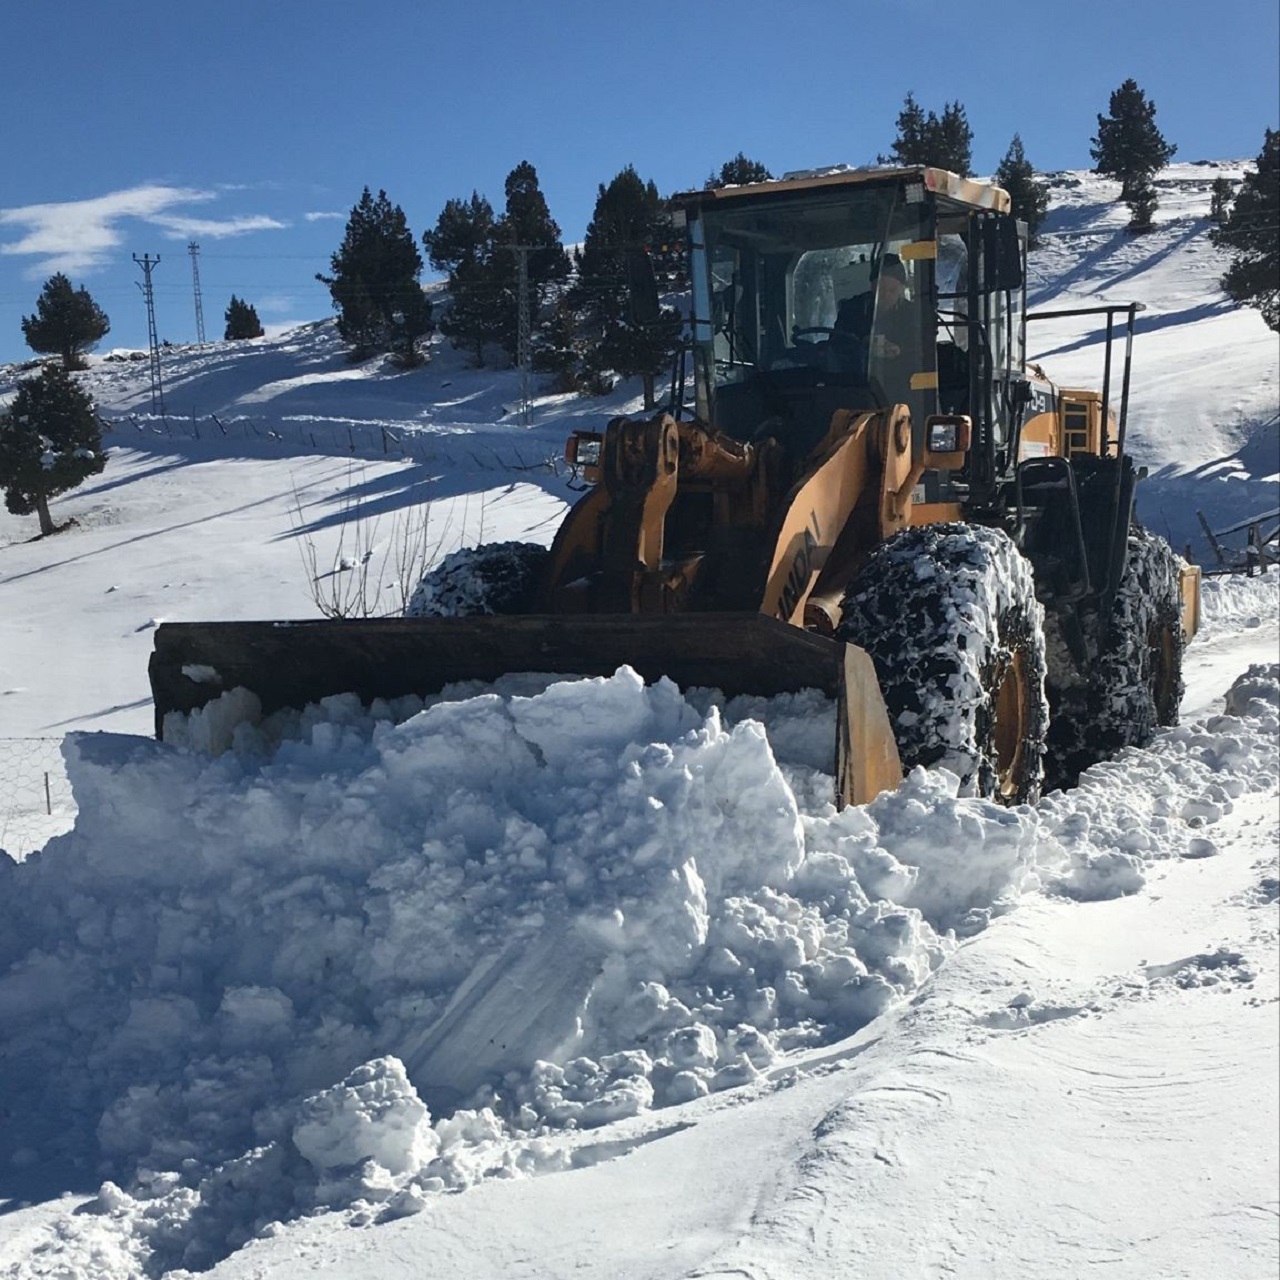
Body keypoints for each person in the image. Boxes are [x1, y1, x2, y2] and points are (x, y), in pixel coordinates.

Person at [834, 254, 909, 359]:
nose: (885, 295)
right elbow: (835, 346)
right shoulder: (850, 309)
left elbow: (924, 350)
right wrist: (862, 344)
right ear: (872, 287)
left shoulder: (915, 314)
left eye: (892, 290)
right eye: (880, 289)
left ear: (901, 289)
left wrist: (899, 351)